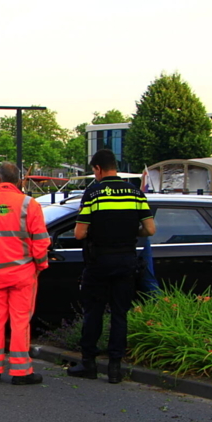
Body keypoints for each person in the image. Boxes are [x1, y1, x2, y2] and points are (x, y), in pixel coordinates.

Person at [68, 149, 156, 384]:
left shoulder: (93, 192)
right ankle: (115, 368)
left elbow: (79, 233)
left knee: (93, 312)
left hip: (99, 262)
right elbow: (150, 229)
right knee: (120, 314)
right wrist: (129, 233)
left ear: (98, 169)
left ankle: (89, 363)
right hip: (126, 261)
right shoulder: (135, 192)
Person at [0, 162, 50, 386]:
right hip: (22, 273)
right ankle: (20, 371)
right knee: (20, 321)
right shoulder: (29, 205)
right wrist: (41, 265)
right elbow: (41, 242)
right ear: (19, 181)